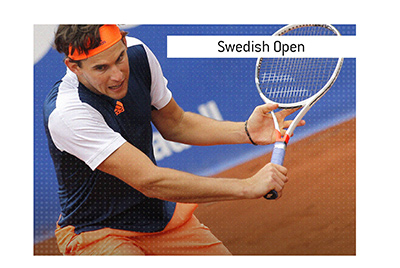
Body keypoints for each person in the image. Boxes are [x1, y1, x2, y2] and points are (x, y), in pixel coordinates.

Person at [43, 24, 305, 255]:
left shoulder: (139, 55)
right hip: (97, 230)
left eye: (119, 58)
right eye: (101, 68)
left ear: (124, 42)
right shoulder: (68, 113)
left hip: (159, 217)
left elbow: (175, 123)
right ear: (73, 67)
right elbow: (150, 180)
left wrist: (245, 131)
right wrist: (247, 186)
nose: (117, 74)